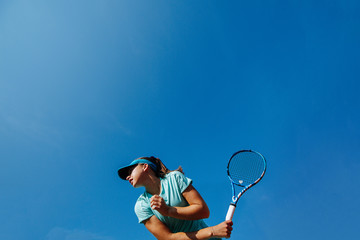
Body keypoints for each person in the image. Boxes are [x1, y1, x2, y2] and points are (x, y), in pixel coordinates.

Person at [117, 156, 233, 240]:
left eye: (130, 171)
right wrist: (212, 231)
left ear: (145, 166)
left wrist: (168, 210)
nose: (128, 177)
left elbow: (203, 211)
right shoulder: (141, 206)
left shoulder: (174, 178)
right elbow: (168, 238)